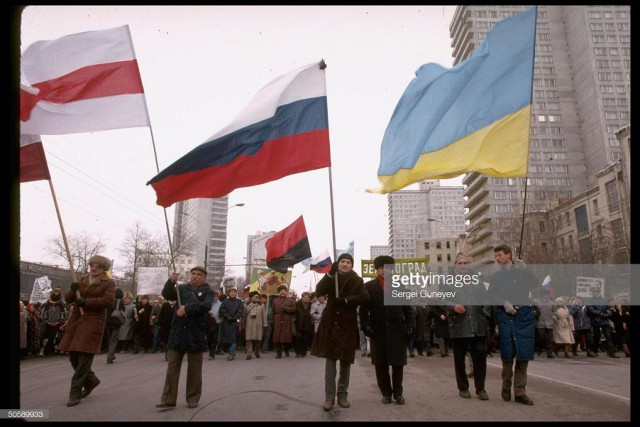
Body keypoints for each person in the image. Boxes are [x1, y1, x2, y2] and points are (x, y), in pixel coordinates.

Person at [311, 253, 369, 411]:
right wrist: (329, 274)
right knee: (330, 363)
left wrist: (346, 300)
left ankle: (342, 395)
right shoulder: (332, 277)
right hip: (330, 324)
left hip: (347, 325)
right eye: (342, 261)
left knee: (345, 362)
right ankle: (329, 398)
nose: (344, 264)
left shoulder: (357, 280)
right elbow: (319, 291)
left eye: (348, 262)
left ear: (352, 265)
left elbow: (365, 297)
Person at [57, 255, 115, 407]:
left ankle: (74, 393)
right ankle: (91, 381)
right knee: (73, 357)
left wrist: (87, 302)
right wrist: (72, 289)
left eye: (98, 266)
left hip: (92, 324)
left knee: (84, 359)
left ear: (103, 269)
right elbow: (69, 298)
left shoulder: (108, 282)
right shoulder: (81, 279)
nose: (94, 267)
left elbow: (108, 301)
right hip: (77, 322)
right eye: (92, 265)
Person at [360, 255, 415, 405]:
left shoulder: (400, 286)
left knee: (398, 364)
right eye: (381, 267)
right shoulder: (369, 286)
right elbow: (364, 310)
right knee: (381, 364)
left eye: (387, 267)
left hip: (397, 330)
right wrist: (365, 326)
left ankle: (398, 393)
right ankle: (386, 393)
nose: (384, 270)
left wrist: (410, 325)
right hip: (377, 331)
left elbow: (408, 309)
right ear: (377, 269)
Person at [156, 266, 213, 409]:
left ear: (204, 277)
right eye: (193, 274)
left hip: (195, 333)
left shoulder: (207, 291)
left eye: (199, 274)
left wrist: (187, 308)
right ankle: (168, 399)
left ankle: (192, 398)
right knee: (172, 367)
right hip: (178, 332)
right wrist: (171, 281)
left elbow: (206, 306)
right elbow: (167, 295)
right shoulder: (181, 288)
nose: (195, 276)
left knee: (194, 370)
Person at [489, 244, 539, 406]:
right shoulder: (496, 277)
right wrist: (504, 303)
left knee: (523, 356)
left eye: (500, 255)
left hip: (523, 318)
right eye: (496, 256)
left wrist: (526, 270)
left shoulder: (521, 272)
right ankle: (506, 384)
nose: (497, 258)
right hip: (506, 317)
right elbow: (491, 295)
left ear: (509, 255)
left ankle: (520, 391)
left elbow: (535, 285)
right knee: (507, 355)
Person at [446, 253, 490, 401]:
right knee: (459, 360)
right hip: (459, 326)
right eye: (460, 263)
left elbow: (486, 299)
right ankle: (463, 388)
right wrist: (453, 307)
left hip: (478, 325)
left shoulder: (477, 279)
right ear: (455, 265)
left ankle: (481, 388)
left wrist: (485, 312)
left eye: (465, 263)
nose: (463, 265)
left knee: (480, 359)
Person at [586, 285, 619, 358]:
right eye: (592, 291)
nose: (593, 293)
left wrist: (608, 313)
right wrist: (600, 313)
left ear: (598, 292)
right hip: (595, 320)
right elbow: (591, 309)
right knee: (597, 337)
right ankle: (595, 351)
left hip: (604, 320)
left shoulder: (604, 300)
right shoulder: (590, 300)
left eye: (594, 291)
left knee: (608, 336)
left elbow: (609, 308)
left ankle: (611, 352)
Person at [219, 287, 244, 361]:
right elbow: (222, 310)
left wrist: (234, 317)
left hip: (234, 322)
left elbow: (240, 311)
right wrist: (228, 316)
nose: (233, 293)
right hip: (226, 322)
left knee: (233, 338)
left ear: (236, 293)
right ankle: (231, 352)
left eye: (234, 292)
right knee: (227, 338)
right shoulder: (225, 301)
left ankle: (231, 354)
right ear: (229, 293)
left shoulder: (239, 302)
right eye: (232, 292)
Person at [271, 284, 296, 358]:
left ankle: (286, 350)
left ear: (286, 292)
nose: (283, 292)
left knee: (286, 337)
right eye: (281, 291)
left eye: (284, 291)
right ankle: (279, 354)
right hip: (277, 319)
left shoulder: (290, 300)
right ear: (279, 292)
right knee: (277, 336)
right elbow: (272, 311)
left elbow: (294, 309)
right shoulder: (275, 300)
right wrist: (271, 320)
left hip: (287, 319)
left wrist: (286, 308)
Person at [243, 291, 267, 360]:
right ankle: (249, 354)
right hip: (249, 325)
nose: (257, 297)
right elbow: (244, 315)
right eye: (255, 296)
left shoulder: (261, 305)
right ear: (251, 298)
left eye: (257, 296)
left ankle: (257, 352)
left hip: (258, 325)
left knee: (258, 340)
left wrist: (265, 324)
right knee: (248, 340)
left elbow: (264, 316)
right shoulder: (246, 305)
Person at [105, 288, 125, 364]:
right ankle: (109, 357)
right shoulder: (120, 302)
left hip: (108, 322)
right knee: (114, 340)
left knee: (110, 339)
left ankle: (111, 355)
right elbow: (123, 310)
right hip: (116, 323)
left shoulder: (109, 300)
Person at [294, 291, 314, 358]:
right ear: (302, 298)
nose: (306, 299)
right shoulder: (298, 304)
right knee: (298, 338)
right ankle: (297, 352)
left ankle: (303, 352)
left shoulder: (311, 305)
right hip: (299, 324)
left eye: (308, 297)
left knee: (306, 339)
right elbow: (295, 313)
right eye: (305, 297)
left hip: (308, 324)